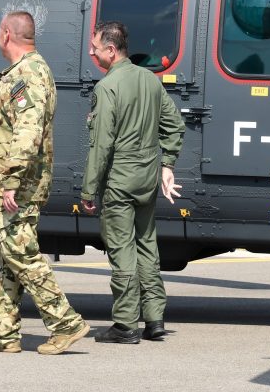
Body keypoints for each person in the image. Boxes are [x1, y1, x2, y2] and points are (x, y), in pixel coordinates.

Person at [0, 11, 89, 355]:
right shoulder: (20, 72)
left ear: (6, 34)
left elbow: (28, 129)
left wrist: (12, 179)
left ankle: (65, 322)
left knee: (21, 253)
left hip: (15, 186)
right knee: (0, 257)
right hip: (0, 183)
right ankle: (4, 332)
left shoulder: (29, 74)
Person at [80, 21, 185, 344]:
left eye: (95, 47)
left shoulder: (107, 88)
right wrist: (167, 163)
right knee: (146, 245)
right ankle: (154, 318)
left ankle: (125, 324)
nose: (91, 53)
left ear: (111, 50)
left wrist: (88, 189)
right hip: (146, 178)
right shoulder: (150, 80)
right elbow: (175, 125)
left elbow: (101, 144)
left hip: (120, 181)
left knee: (122, 249)